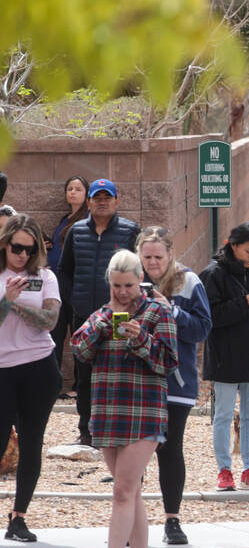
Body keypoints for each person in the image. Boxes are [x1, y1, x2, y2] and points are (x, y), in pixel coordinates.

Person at [72, 250, 178, 548]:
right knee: (130, 493)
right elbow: (79, 351)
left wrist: (141, 339)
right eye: (116, 285)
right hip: (108, 410)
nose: (121, 292)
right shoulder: (102, 314)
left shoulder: (158, 311)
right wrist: (101, 327)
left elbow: (168, 362)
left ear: (140, 281)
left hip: (144, 410)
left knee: (122, 490)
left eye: (128, 285)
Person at [136, 227, 212, 545]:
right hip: (136, 380)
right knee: (133, 454)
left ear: (170, 255)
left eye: (158, 256)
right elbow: (109, 318)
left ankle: (172, 521)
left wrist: (172, 309)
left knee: (170, 450)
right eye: (147, 256)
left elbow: (202, 328)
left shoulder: (188, 281)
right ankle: (131, 521)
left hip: (175, 382)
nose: (152, 262)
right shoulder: (127, 276)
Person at [56, 179, 140, 447]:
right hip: (83, 316)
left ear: (117, 200)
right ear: (89, 202)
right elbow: (65, 271)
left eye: (108, 197)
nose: (102, 201)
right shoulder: (76, 231)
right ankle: (86, 431)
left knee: (118, 369)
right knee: (85, 373)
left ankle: (116, 431)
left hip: (119, 316)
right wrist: (72, 300)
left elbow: (140, 273)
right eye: (97, 197)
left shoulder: (129, 231)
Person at [200, 222, 249, 491]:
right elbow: (209, 316)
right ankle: (224, 470)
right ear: (233, 246)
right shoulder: (213, 274)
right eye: (248, 251)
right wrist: (242, 304)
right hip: (224, 355)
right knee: (222, 415)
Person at [0, 216, 62, 543]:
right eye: (17, 248)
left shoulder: (45, 277)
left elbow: (49, 320)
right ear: (5, 243)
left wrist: (16, 306)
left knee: (32, 441)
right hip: (2, 369)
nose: (23, 255)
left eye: (30, 248)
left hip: (39, 366)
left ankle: (18, 517)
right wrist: (8, 299)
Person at [46, 175, 88, 378]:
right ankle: (53, 382)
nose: (72, 192)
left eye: (78, 189)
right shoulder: (65, 220)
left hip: (74, 286)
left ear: (87, 194)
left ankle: (78, 385)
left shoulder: (86, 220)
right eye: (69, 188)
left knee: (78, 336)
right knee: (55, 334)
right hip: (57, 287)